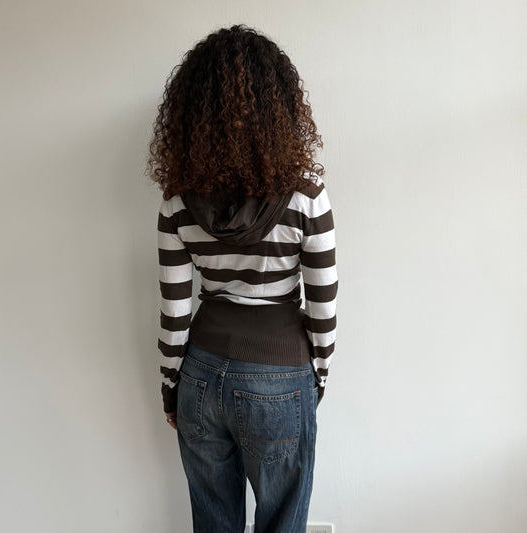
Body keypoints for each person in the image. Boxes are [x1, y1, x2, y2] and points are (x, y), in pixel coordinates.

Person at [145, 24, 338, 533]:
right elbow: (323, 306)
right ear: (280, 108)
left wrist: (171, 386)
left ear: (191, 115)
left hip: (201, 374)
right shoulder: (306, 196)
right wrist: (317, 378)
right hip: (281, 376)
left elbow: (175, 311)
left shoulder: (177, 202)